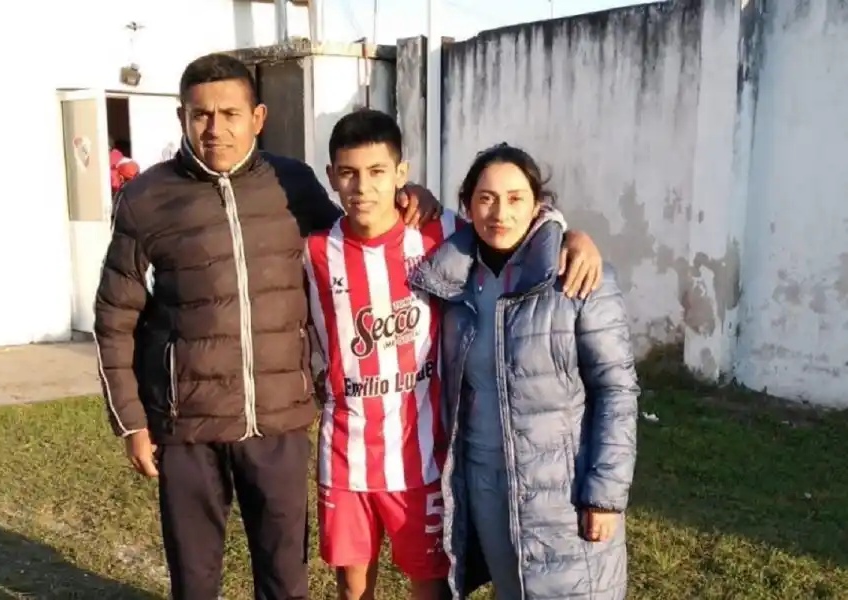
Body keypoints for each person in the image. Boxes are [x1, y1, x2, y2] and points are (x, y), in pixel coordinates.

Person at [93, 53, 442, 600]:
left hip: (279, 423)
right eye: (200, 115)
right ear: (182, 117)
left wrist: (416, 202)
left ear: (257, 117)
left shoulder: (293, 183)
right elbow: (115, 317)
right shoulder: (145, 198)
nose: (215, 128)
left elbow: (359, 235)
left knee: (285, 580)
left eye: (230, 113)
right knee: (195, 579)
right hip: (187, 427)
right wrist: (132, 422)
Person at [305, 113, 606, 600]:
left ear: (401, 173)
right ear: (331, 174)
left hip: (422, 457)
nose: (363, 186)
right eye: (348, 172)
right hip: (346, 455)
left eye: (378, 171)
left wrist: (570, 234)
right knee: (352, 584)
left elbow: (510, 224)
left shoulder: (439, 232)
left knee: (430, 584)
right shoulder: (314, 251)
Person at [410, 144, 639, 599]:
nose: (500, 213)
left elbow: (616, 389)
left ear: (538, 204)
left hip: (561, 490)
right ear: (468, 204)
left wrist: (605, 493)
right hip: (483, 483)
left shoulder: (578, 277)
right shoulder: (453, 283)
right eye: (486, 198)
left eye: (515, 198)